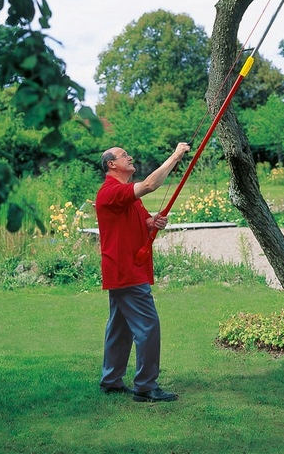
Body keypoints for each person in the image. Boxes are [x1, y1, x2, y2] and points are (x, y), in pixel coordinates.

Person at [95, 142, 190, 403]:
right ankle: (146, 387)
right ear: (111, 164)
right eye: (125, 155)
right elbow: (149, 185)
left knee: (120, 328)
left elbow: (144, 222)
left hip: (126, 270)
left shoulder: (126, 195)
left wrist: (153, 222)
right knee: (148, 326)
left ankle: (111, 381)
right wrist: (176, 155)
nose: (131, 156)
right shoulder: (110, 192)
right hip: (126, 272)